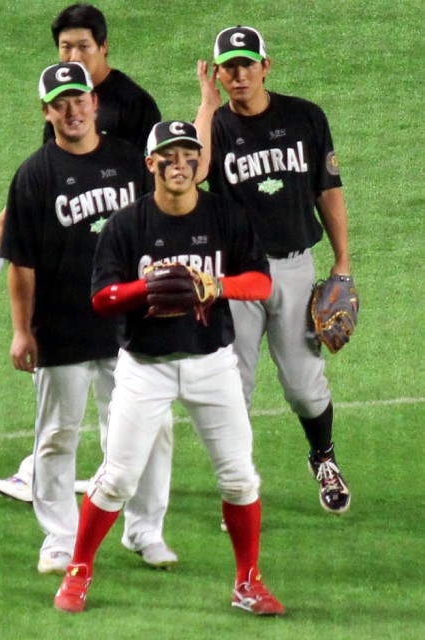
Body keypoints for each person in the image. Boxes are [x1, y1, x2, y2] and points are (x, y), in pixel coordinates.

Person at [53, 120, 285, 616]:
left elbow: (261, 283)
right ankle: (78, 571)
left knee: (240, 478)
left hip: (212, 364)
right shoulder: (127, 224)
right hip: (145, 367)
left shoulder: (225, 215)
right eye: (169, 156)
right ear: (151, 163)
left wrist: (216, 286)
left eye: (187, 156)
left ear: (199, 163)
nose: (179, 164)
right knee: (117, 479)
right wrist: (147, 287)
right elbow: (101, 298)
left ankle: (247, 582)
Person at [0, 4, 168, 559]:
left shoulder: (131, 162)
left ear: (94, 102)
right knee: (56, 437)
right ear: (47, 111)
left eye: (79, 100)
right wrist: (22, 331)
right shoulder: (34, 175)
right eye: (60, 103)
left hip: (126, 325)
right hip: (61, 328)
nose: (72, 111)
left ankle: (145, 530)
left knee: (145, 430)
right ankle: (61, 540)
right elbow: (21, 262)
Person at [195, 26, 352, 514]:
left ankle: (323, 458)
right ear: (218, 73)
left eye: (247, 64)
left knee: (305, 388)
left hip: (294, 268)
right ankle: (239, 489)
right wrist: (206, 106)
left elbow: (328, 190)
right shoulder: (215, 126)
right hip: (235, 277)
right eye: (229, 67)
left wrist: (343, 263)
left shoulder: (305, 117)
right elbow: (194, 173)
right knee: (232, 389)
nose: (239, 74)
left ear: (266, 66)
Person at [0, 2, 160, 251]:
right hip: (73, 222)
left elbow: (147, 178)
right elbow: (51, 165)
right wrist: (9, 217)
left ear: (104, 46)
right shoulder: (58, 100)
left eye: (84, 46)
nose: (74, 57)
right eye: (66, 47)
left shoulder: (135, 104)